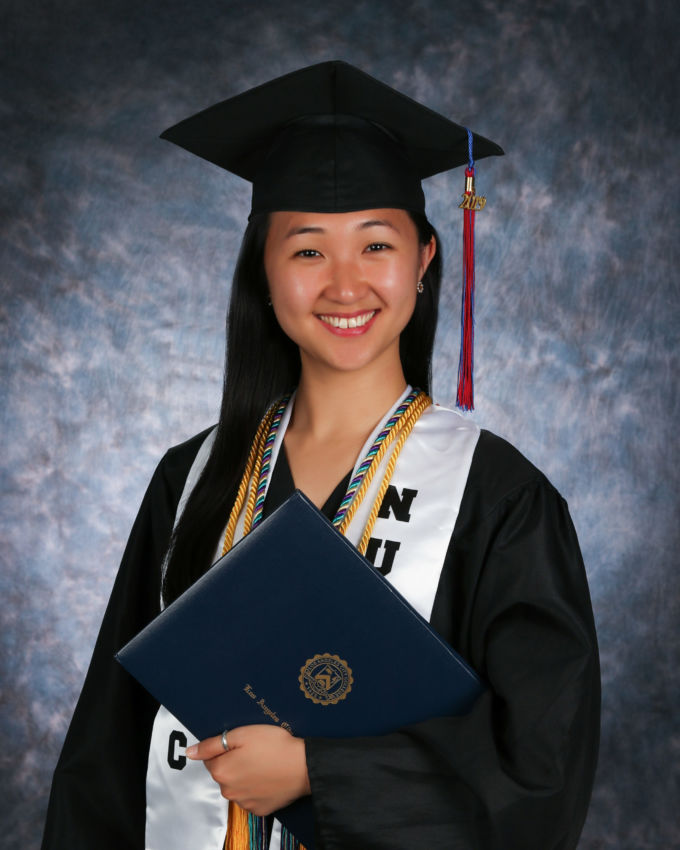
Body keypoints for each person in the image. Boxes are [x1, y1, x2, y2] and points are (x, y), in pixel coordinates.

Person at [41, 61, 600, 850]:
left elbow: (541, 772)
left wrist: (318, 772)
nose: (345, 284)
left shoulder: (499, 499)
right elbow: (105, 758)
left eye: (377, 244)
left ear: (426, 260)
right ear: (263, 272)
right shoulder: (190, 478)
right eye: (307, 251)